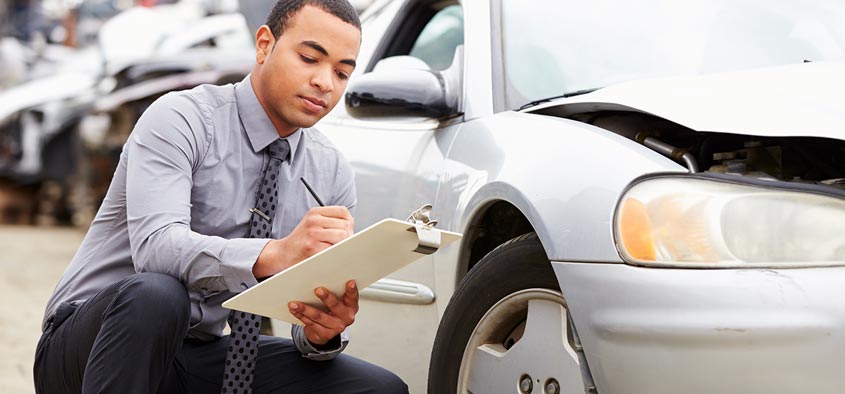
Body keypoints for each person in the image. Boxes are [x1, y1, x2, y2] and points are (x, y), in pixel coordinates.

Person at [33, 1, 408, 393]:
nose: (324, 82)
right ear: (264, 45)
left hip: (196, 353)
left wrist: (321, 332)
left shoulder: (330, 171)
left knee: (378, 387)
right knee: (159, 296)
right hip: (91, 346)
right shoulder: (181, 119)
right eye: (310, 58)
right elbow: (156, 250)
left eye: (341, 72)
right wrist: (274, 254)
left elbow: (303, 315)